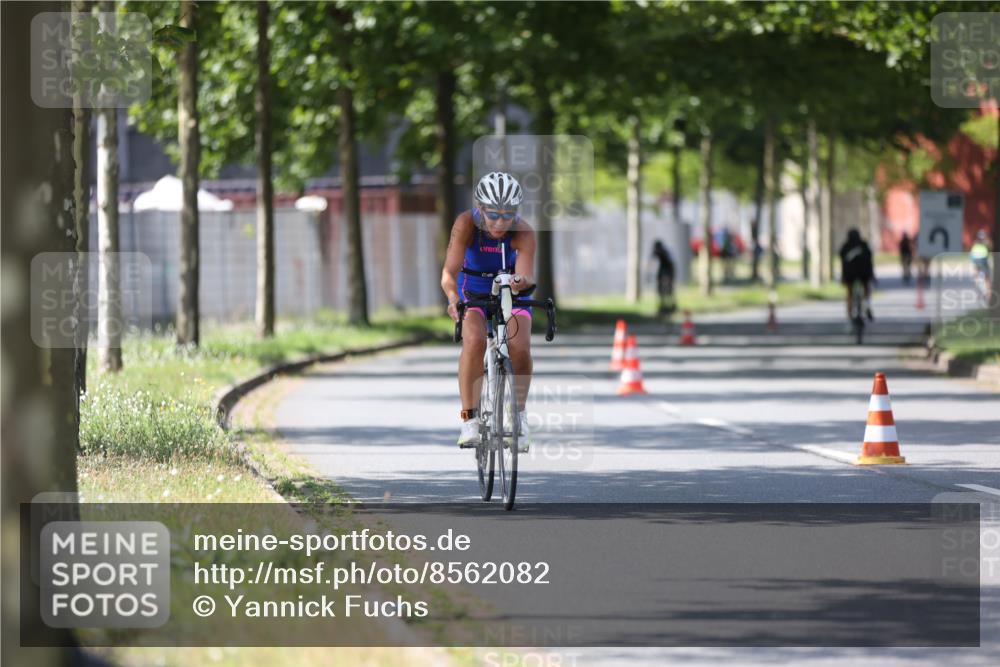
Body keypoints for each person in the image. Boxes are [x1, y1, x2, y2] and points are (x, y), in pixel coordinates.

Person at [441, 172, 536, 449]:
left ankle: (518, 415)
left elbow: (526, 276)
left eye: (508, 215)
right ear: (480, 208)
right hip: (473, 292)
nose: (500, 222)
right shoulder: (466, 224)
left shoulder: (524, 232)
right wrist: (451, 298)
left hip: (511, 291)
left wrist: (519, 281)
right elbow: (448, 272)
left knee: (520, 347)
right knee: (474, 340)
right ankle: (469, 418)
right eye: (493, 214)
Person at [839, 228, 876, 322]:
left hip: (850, 274)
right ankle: (867, 305)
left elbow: (843, 263)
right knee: (867, 289)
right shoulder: (864, 245)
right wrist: (872, 275)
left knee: (849, 292)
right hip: (864, 273)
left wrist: (843, 277)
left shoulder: (845, 247)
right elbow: (870, 261)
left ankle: (849, 313)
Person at [649, 240, 676, 316]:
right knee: (660, 289)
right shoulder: (657, 252)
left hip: (668, 270)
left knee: (669, 289)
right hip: (662, 270)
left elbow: (671, 264)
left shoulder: (666, 252)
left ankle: (672, 305)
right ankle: (663, 305)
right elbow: (651, 262)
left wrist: (670, 276)